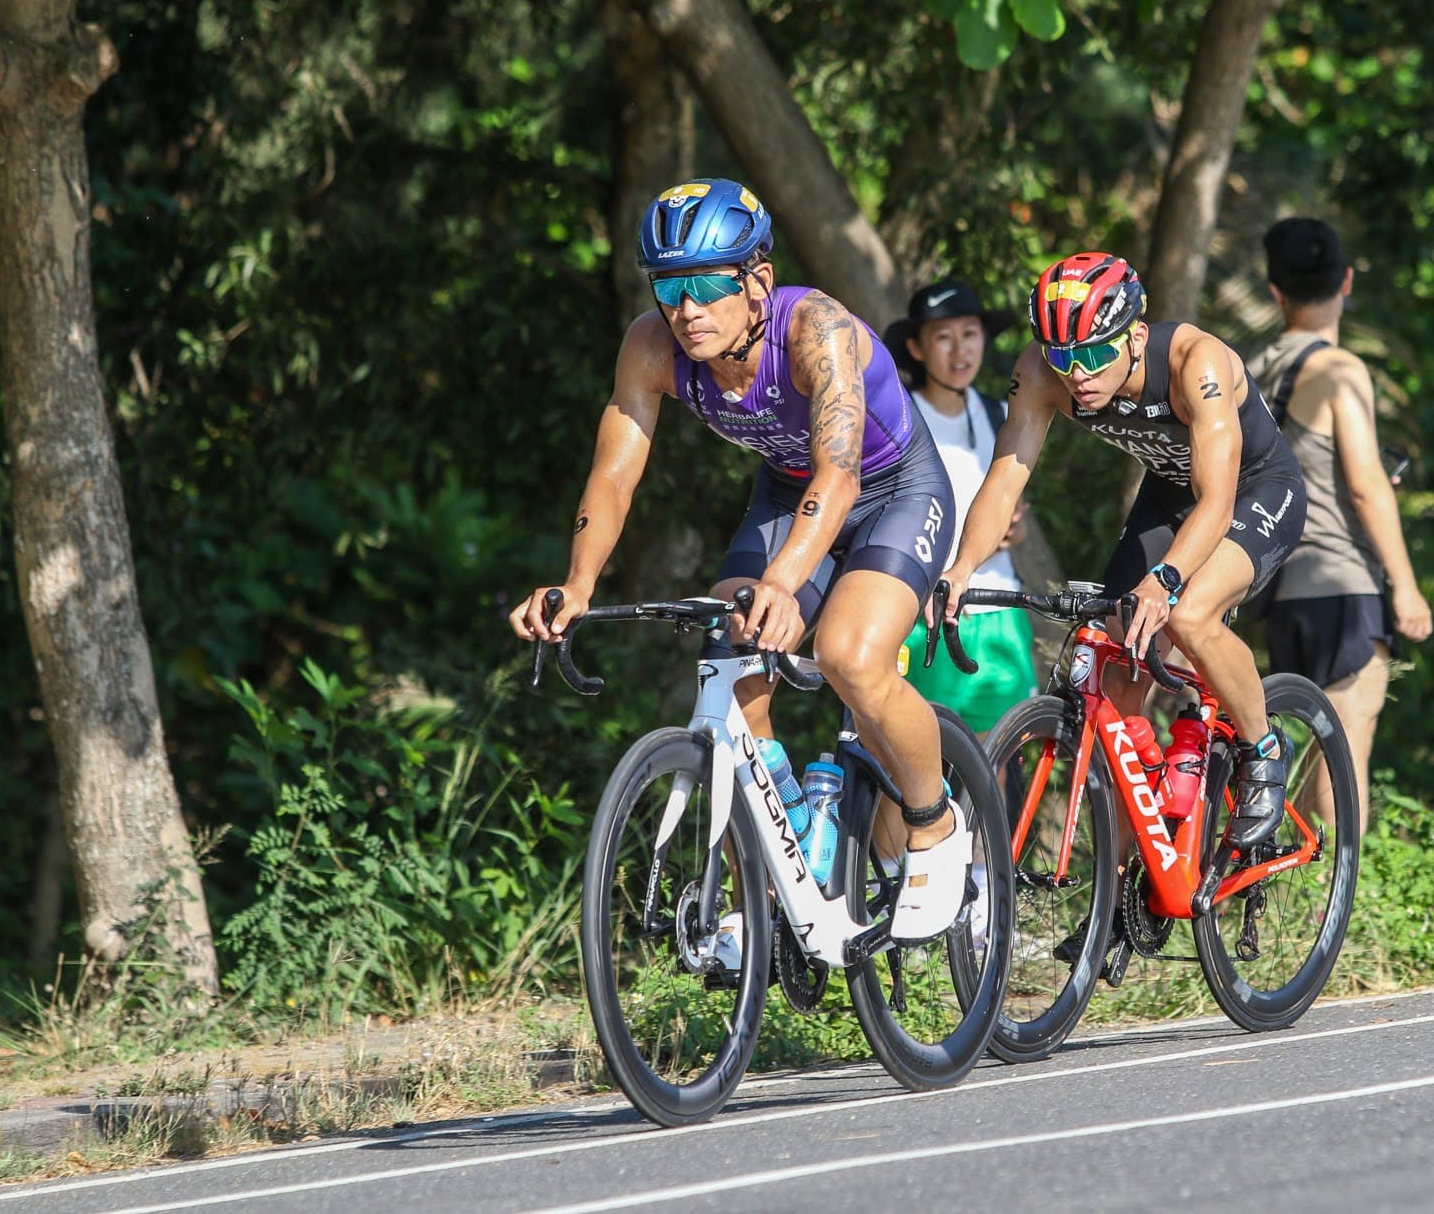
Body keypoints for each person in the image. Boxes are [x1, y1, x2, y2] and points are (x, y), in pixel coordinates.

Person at [508, 178, 971, 951]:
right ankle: (769, 878)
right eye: (668, 286)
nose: (685, 309)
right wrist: (578, 581)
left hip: (889, 484)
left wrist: (787, 581)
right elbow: (615, 472)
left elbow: (842, 473)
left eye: (705, 285)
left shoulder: (813, 327)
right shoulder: (652, 347)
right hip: (790, 490)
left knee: (848, 656)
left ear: (758, 281)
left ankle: (935, 822)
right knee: (728, 648)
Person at [939, 251, 1308, 851]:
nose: (1076, 374)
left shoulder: (1197, 362)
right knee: (1113, 677)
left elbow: (1215, 500)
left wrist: (1163, 581)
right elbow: (1006, 478)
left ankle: (1261, 745)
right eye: (1062, 357)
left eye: (1091, 354)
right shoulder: (1040, 371)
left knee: (1189, 614)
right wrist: (960, 567)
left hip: (1253, 489)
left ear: (1135, 335)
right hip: (1169, 491)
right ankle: (1125, 889)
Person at [1255, 217, 1434, 833]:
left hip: (1280, 592)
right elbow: (1364, 482)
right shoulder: (1340, 371)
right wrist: (1405, 586)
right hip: (1343, 584)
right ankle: (1343, 911)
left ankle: (1299, 894)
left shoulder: (1250, 371)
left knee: (1315, 745)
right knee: (1346, 748)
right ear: (1347, 281)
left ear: (1275, 291)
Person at [883, 279, 1038, 735]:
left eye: (969, 335)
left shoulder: (998, 413)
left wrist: (1015, 532)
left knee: (997, 763)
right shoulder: (896, 416)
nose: (959, 351)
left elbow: (1013, 506)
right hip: (919, 613)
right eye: (943, 337)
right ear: (915, 346)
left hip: (997, 611)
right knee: (906, 762)